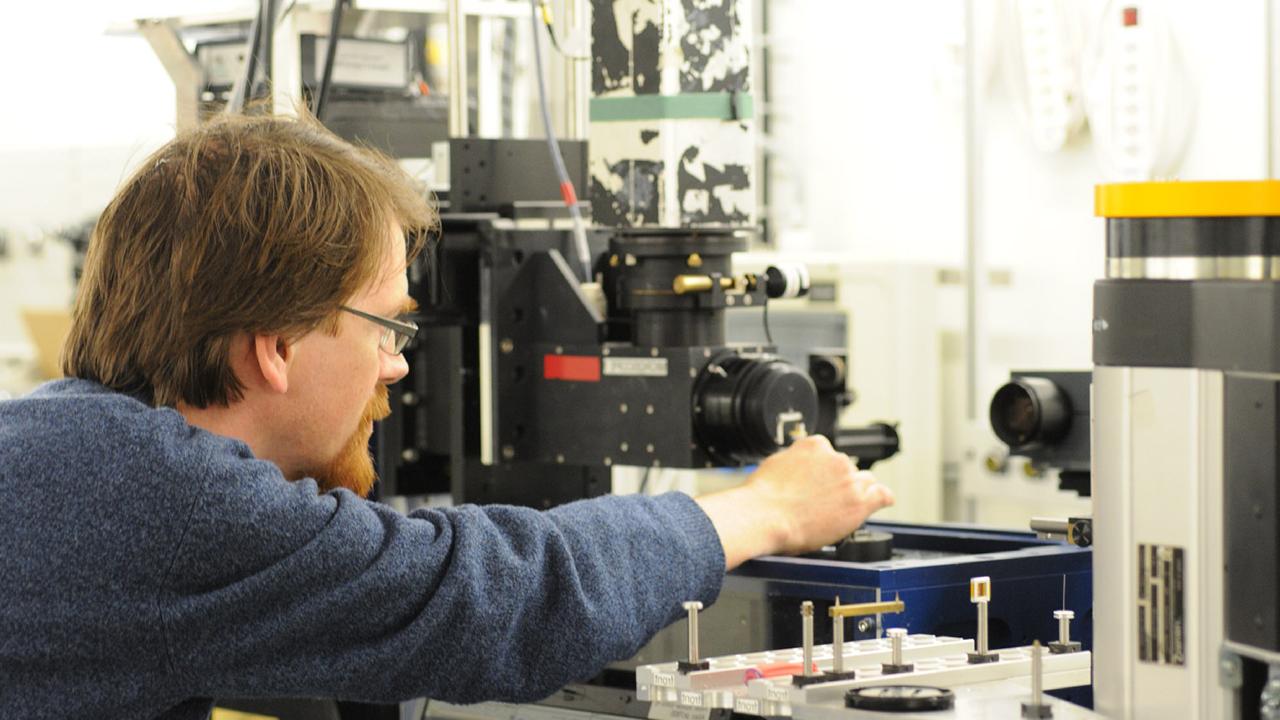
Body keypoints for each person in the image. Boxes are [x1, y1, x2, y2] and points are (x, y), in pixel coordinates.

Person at [0, 113, 894, 719]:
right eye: (388, 325)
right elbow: (493, 597)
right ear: (274, 347)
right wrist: (763, 509)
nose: (397, 364)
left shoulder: (66, 445)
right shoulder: (160, 500)